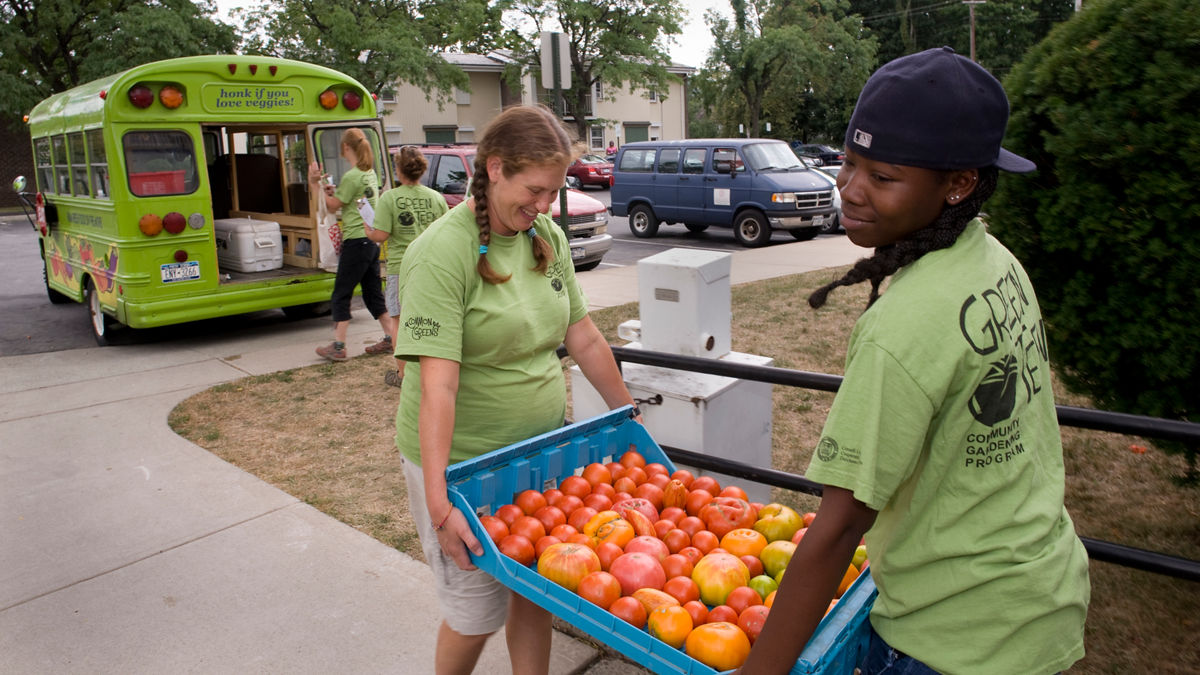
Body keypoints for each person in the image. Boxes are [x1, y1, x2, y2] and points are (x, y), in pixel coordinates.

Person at [739, 47, 1090, 674]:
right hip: (1039, 599)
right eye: (849, 163)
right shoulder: (995, 261)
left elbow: (842, 527)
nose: (849, 189)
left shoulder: (900, 328)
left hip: (957, 638)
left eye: (883, 176)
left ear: (957, 184)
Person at [392, 105, 640, 674]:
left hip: (537, 452)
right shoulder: (440, 253)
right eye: (535, 190)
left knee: (536, 589)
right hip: (463, 462)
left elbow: (583, 335)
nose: (544, 205)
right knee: (476, 611)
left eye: (553, 193)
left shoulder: (543, 234)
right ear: (495, 168)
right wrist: (439, 503)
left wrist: (627, 412)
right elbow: (438, 387)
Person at [308, 128, 396, 362]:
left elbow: (331, 207)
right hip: (370, 242)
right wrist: (333, 192)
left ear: (346, 147)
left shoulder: (352, 176)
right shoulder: (369, 174)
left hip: (356, 241)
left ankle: (339, 345)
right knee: (371, 292)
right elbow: (349, 199)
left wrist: (315, 185)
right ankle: (391, 337)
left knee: (341, 293)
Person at [365, 145, 448, 387]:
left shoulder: (390, 198)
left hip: (401, 266)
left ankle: (402, 374)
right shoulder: (436, 198)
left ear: (398, 169)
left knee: (399, 320)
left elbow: (380, 235)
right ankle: (434, 367)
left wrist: (368, 232)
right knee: (431, 317)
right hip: (431, 266)